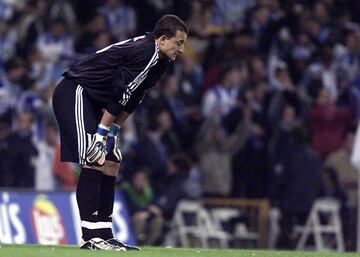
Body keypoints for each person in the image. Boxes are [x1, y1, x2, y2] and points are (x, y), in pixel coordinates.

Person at [52, 14, 188, 250]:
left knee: (112, 160)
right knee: (95, 157)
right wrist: (101, 134)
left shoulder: (161, 60)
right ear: (163, 39)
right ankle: (89, 236)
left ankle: (104, 232)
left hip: (95, 100)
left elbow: (135, 96)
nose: (183, 49)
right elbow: (119, 93)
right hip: (76, 90)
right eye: (179, 43)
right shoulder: (147, 53)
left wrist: (113, 131)